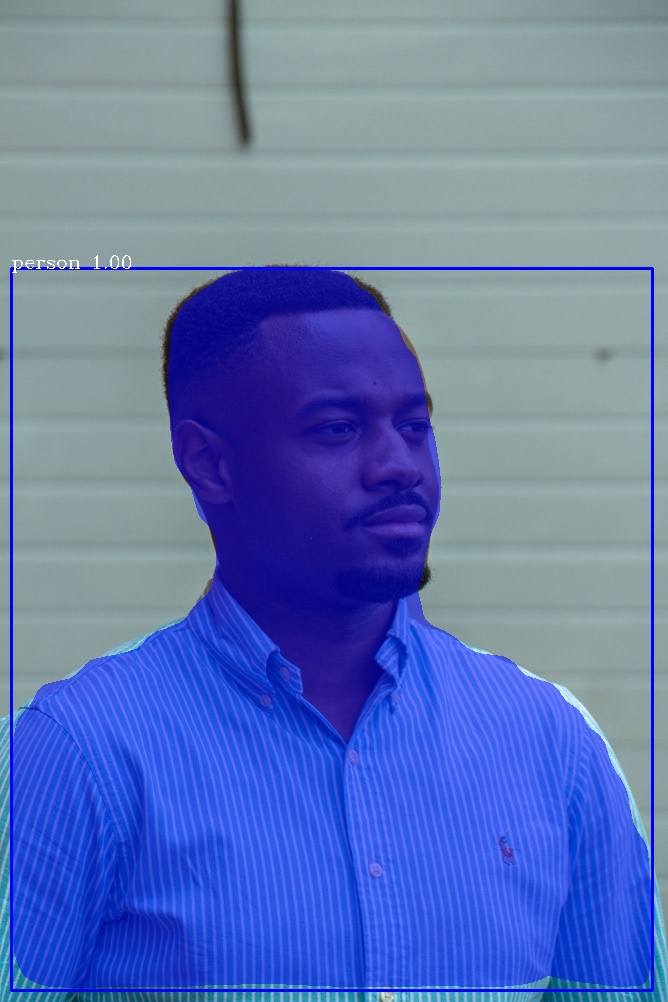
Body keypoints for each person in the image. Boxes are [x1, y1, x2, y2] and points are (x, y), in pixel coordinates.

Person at [8, 266, 666, 996]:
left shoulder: (551, 740)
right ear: (210, 464)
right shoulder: (78, 750)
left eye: (414, 428)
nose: (398, 466)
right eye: (337, 429)